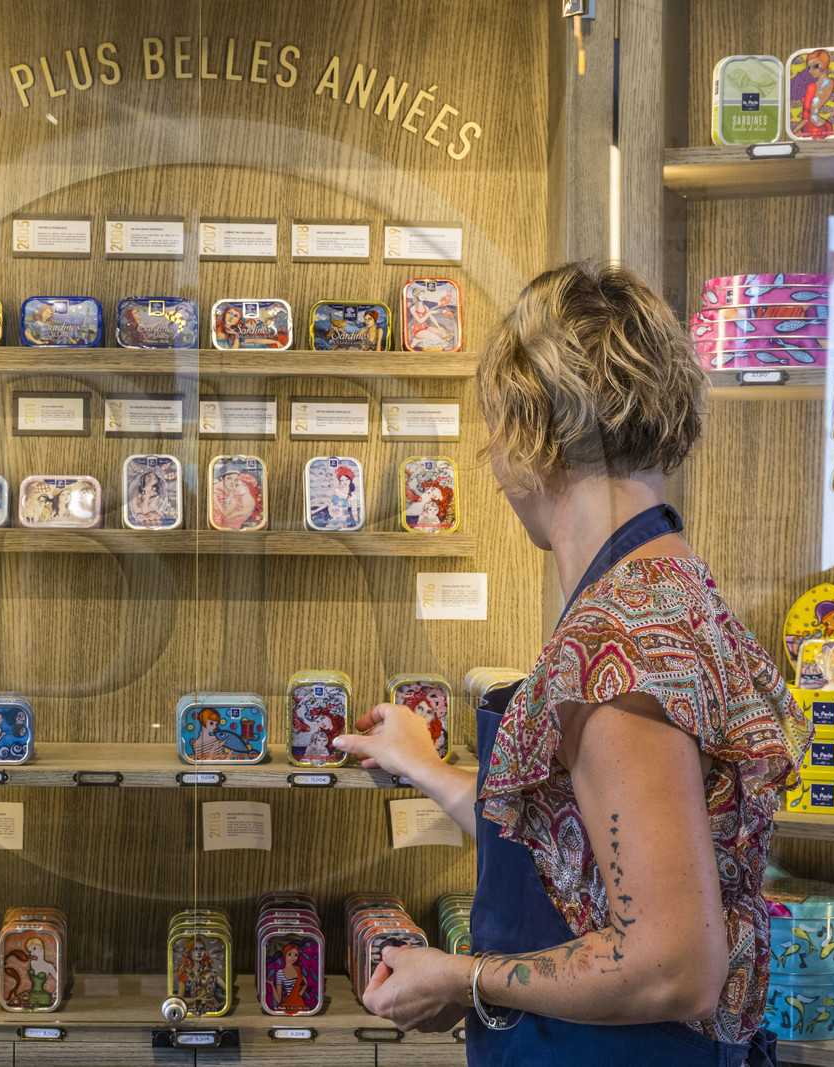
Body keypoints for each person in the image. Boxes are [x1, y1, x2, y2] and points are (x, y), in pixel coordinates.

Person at [335, 261, 808, 1066]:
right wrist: (428, 767)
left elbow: (672, 967)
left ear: (530, 434)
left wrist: (460, 974)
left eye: (495, 427)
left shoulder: (610, 647)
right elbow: (581, 848)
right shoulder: (668, 591)